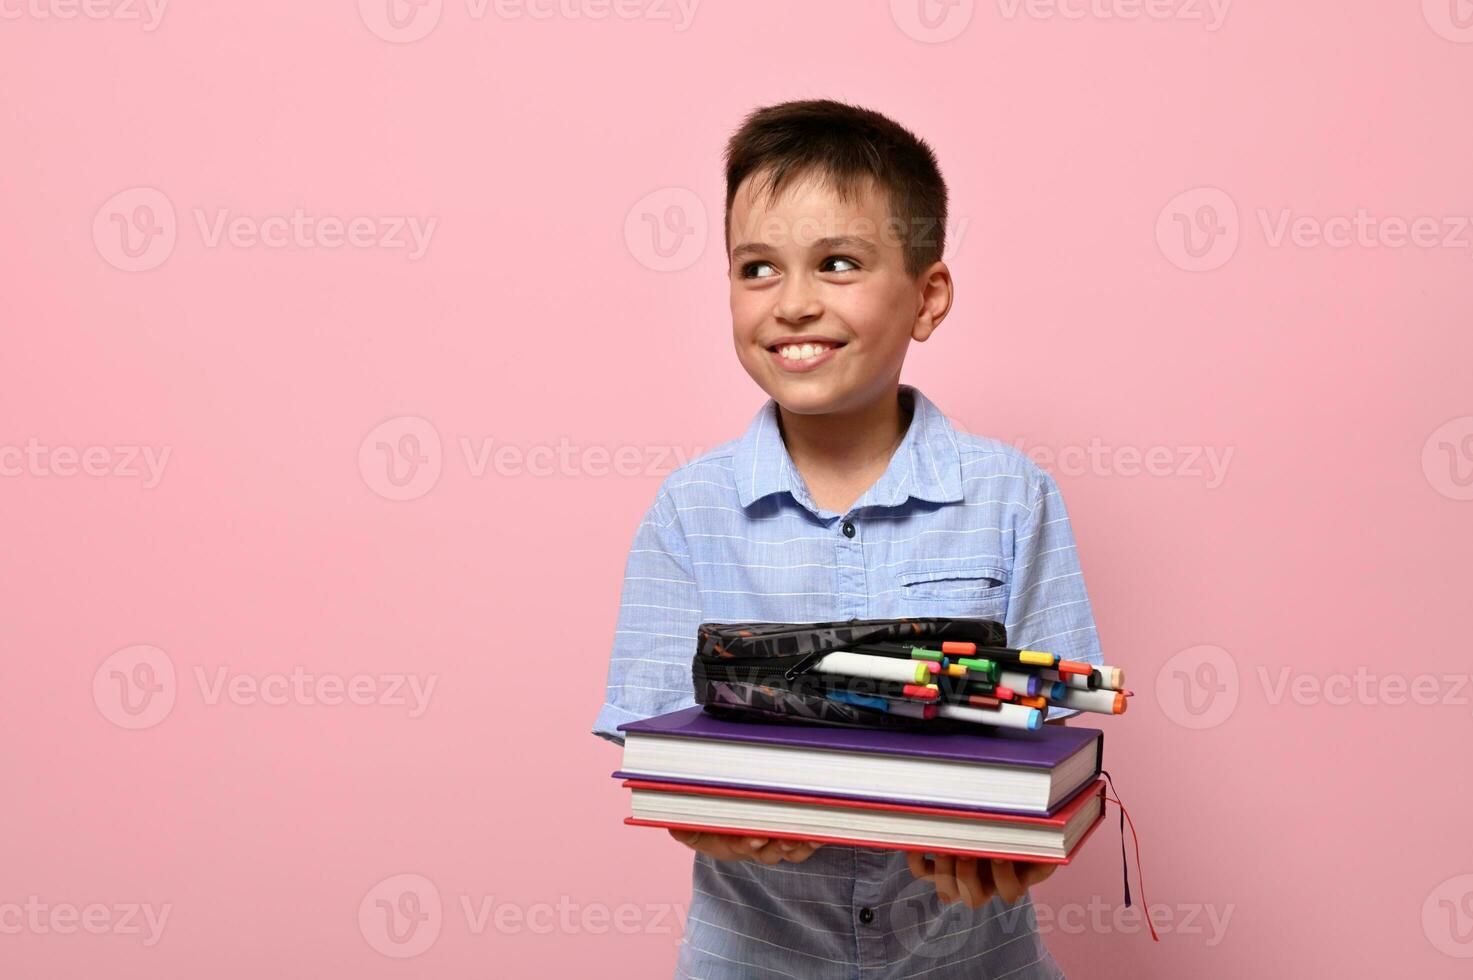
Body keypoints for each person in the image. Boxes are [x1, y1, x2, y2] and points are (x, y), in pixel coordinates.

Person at [593, 98, 1104, 979]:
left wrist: (1022, 839)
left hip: (971, 960)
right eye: (757, 268)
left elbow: (1058, 729)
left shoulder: (1010, 496)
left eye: (837, 264)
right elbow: (654, 743)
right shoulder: (690, 508)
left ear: (926, 297)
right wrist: (705, 812)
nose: (792, 304)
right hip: (751, 958)